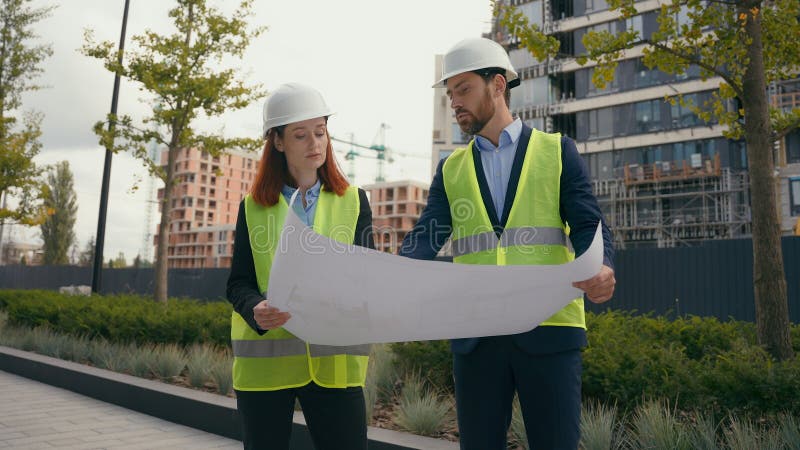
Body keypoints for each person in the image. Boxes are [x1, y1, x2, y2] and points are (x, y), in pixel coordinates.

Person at [399, 38, 616, 450]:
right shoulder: (451, 170)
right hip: (477, 334)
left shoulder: (557, 151)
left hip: (549, 328)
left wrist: (602, 266)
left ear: (497, 85)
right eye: (450, 94)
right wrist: (389, 276)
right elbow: (426, 238)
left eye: (463, 89)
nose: (455, 103)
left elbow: (589, 224)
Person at [226, 82, 374, 450]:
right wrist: (254, 308)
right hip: (267, 367)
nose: (315, 144)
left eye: (320, 132)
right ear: (277, 142)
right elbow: (238, 282)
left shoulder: (355, 201)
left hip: (334, 365)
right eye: (301, 135)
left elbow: (368, 280)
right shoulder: (252, 208)